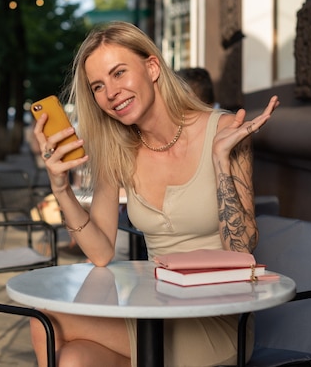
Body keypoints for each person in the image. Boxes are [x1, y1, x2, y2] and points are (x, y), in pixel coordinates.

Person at [30, 21, 279, 367]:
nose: (111, 92)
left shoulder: (223, 131)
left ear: (152, 67)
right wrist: (60, 188)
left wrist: (221, 161)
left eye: (119, 73)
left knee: (47, 321)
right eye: (98, 86)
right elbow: (101, 253)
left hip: (218, 317)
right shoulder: (117, 149)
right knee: (73, 359)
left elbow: (241, 251)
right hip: (155, 310)